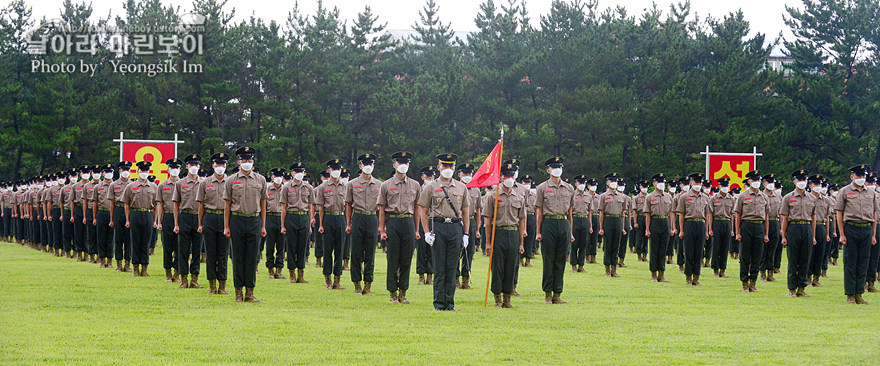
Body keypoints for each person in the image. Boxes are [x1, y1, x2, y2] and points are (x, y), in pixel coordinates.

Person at [418, 153, 470, 311]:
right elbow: (423, 211)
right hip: (438, 227)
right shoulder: (430, 187)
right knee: (439, 266)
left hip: (455, 227)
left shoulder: (461, 187)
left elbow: (466, 212)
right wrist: (427, 232)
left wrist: (466, 234)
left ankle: (450, 302)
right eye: (444, 166)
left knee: (452, 266)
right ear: (439, 167)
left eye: (450, 166)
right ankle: (439, 303)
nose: (447, 169)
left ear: (454, 168)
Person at [223, 147, 268, 302]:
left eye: (249, 160)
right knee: (237, 256)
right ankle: (238, 292)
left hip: (254, 220)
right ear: (239, 162)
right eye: (244, 160)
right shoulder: (231, 180)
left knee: (252, 257)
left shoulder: (261, 180)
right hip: (237, 220)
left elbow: (263, 204)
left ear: (253, 162)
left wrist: (263, 225)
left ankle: (250, 292)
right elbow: (227, 205)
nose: (247, 163)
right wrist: (226, 226)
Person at [835, 164, 879, 304]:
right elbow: (839, 213)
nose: (861, 178)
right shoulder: (845, 191)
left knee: (863, 262)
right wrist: (842, 234)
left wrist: (873, 235)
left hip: (866, 228)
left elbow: (874, 214)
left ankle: (859, 293)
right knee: (850, 262)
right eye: (858, 176)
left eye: (863, 176)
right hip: (850, 228)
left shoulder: (871, 193)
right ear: (852, 177)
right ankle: (850, 295)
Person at [484, 163, 526, 308]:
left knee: (511, 266)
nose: (509, 178)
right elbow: (488, 220)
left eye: (511, 176)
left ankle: (507, 298)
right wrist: (488, 242)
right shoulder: (492, 196)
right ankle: (497, 298)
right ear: (501, 177)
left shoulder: (519, 197)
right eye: (506, 175)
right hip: (498, 232)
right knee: (497, 267)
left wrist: (521, 243)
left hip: (513, 233)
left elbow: (521, 221)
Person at [535, 157, 574, 304]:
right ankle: (547, 293)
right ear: (548, 170)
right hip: (548, 223)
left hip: (563, 223)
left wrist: (570, 231)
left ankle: (557, 293)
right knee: (548, 259)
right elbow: (539, 210)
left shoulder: (569, 188)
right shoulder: (542, 188)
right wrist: (538, 231)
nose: (557, 169)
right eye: (554, 167)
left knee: (561, 259)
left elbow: (570, 211)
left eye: (559, 167)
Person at [345, 154, 382, 295]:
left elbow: (381, 207)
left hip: (372, 218)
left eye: (370, 164)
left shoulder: (379, 185)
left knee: (370, 254)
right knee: (356, 253)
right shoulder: (352, 184)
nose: (368, 166)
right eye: (365, 164)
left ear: (373, 166)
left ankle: (368, 285)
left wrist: (380, 225)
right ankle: (357, 284)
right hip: (358, 217)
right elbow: (348, 205)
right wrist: (348, 223)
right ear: (360, 166)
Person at [780, 169, 817, 297]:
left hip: (806, 228)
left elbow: (813, 217)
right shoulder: (788, 197)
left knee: (805, 259)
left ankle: (802, 288)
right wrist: (783, 235)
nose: (802, 182)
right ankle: (792, 289)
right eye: (799, 179)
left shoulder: (812, 198)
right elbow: (785, 218)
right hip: (793, 228)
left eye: (804, 180)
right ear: (794, 181)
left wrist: (813, 235)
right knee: (793, 260)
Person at [734, 170, 770, 293]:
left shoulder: (764, 197)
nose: (756, 182)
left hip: (759, 226)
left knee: (757, 256)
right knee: (745, 256)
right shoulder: (743, 196)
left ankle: (753, 282)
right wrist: (738, 232)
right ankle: (744, 282)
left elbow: (766, 217)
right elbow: (738, 215)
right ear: (749, 181)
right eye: (754, 180)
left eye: (758, 180)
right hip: (746, 226)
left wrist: (766, 233)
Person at [122, 161, 159, 277]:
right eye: (142, 170)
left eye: (146, 171)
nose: (144, 173)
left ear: (149, 172)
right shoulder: (130, 186)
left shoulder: (154, 187)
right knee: (135, 241)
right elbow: (126, 204)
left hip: (148, 214)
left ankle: (144, 268)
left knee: (146, 242)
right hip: (135, 214)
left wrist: (155, 220)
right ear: (138, 171)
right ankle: (135, 268)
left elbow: (156, 205)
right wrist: (127, 220)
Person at [281, 163, 314, 284]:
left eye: (301, 172)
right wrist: (283, 225)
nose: (299, 174)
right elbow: (283, 207)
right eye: (297, 172)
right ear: (292, 173)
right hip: (291, 217)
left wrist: (309, 224)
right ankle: (292, 274)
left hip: (304, 217)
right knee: (291, 246)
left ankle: (301, 274)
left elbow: (310, 207)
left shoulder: (308, 187)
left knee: (302, 247)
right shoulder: (286, 187)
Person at [676, 173, 711, 286]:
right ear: (691, 183)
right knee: (689, 252)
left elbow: (707, 215)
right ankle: (688, 277)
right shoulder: (684, 197)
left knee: (699, 252)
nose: (698, 185)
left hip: (701, 225)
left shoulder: (705, 197)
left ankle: (696, 278)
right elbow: (681, 214)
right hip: (689, 224)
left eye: (700, 183)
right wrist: (681, 230)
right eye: (696, 182)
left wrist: (706, 231)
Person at [644, 173, 675, 282]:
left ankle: (661, 274)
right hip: (655, 221)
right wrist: (647, 229)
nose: (661, 184)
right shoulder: (649, 196)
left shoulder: (668, 196)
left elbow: (671, 213)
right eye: (659, 182)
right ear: (654, 183)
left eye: (663, 182)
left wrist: (672, 227)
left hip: (665, 221)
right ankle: (653, 273)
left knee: (663, 249)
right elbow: (647, 214)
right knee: (654, 249)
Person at [156, 158, 182, 283]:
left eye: (177, 168)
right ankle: (167, 272)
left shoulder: (183, 184)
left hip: (181, 217)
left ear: (180, 170)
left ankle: (177, 272)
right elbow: (160, 205)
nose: (174, 170)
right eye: (172, 168)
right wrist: (159, 221)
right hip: (167, 217)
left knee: (179, 247)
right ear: (168, 170)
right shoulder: (162, 185)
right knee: (167, 246)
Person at [598, 172, 625, 278]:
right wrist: (601, 227)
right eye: (611, 181)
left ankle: (614, 269)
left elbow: (623, 213)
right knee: (608, 245)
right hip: (608, 220)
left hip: (618, 220)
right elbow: (601, 212)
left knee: (616, 245)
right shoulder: (603, 196)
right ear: (607, 183)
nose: (613, 183)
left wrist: (622, 227)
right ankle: (607, 269)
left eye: (615, 181)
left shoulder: (621, 196)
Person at [110, 161, 133, 272]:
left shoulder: (133, 184)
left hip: (129, 211)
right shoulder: (114, 185)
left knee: (129, 238)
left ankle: (127, 264)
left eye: (127, 170)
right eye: (123, 170)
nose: (125, 172)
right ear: (119, 171)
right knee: (118, 238)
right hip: (118, 210)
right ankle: (119, 263)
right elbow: (112, 203)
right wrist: (111, 218)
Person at [709, 177, 734, 278]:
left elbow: (732, 215)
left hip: (727, 222)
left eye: (726, 186)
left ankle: (722, 270)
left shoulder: (731, 199)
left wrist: (732, 229)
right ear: (719, 186)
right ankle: (715, 269)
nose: (725, 188)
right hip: (717, 222)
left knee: (725, 247)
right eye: (723, 186)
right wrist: (710, 228)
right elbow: (710, 214)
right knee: (716, 246)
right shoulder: (714, 198)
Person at [264, 167, 287, 280]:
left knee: (281, 246)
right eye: (276, 176)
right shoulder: (267, 189)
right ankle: (270, 271)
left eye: (280, 176)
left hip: (282, 219)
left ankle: (279, 270)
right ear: (272, 177)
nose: (278, 178)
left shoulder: (286, 189)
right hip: (270, 218)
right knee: (269, 246)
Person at [415, 166, 435, 285]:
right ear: (423, 177)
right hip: (421, 222)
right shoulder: (419, 190)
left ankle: (430, 276)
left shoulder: (436, 189)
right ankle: (421, 276)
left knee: (432, 251)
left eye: (431, 177)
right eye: (427, 177)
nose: (429, 179)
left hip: (433, 221)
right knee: (421, 250)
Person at [93, 164, 115, 267]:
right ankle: (101, 259)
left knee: (111, 237)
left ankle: (109, 260)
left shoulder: (115, 185)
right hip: (101, 212)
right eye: (106, 172)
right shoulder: (98, 187)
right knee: (101, 237)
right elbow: (95, 203)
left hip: (113, 213)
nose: (108, 174)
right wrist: (94, 217)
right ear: (103, 174)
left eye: (110, 172)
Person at [761, 174, 782, 282]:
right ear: (764, 184)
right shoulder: (761, 195)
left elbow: (782, 213)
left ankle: (770, 272)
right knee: (763, 249)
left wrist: (782, 228)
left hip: (775, 222)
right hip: (764, 222)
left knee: (773, 249)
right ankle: (762, 273)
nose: (770, 185)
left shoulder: (778, 197)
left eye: (772, 183)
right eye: (768, 183)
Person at [570, 175, 591, 273]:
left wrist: (590, 225)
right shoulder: (572, 195)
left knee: (583, 244)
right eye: (580, 183)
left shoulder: (588, 196)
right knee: (574, 243)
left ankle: (581, 265)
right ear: (576, 184)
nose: (582, 185)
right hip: (575, 219)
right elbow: (569, 211)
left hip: (585, 219)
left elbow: (590, 211)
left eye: (583, 183)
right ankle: (574, 265)